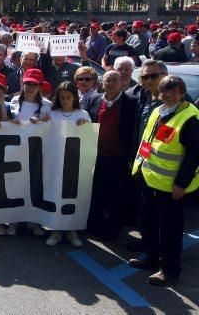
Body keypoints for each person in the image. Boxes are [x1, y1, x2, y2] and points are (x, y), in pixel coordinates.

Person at [129, 76, 199, 286]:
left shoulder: (190, 118)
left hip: (171, 186)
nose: (167, 95)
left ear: (181, 93)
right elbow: (149, 141)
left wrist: (181, 183)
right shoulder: (159, 110)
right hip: (150, 179)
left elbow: (195, 155)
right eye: (163, 91)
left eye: (172, 91)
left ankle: (169, 270)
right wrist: (139, 167)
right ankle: (151, 258)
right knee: (150, 223)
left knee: (170, 231)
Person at [84, 70, 138, 241]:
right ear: (101, 83)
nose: (110, 84)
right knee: (96, 193)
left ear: (122, 82)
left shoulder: (132, 102)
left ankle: (113, 229)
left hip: (119, 157)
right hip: (96, 156)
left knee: (117, 196)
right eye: (107, 80)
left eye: (114, 80)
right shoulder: (93, 99)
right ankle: (95, 225)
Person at [46, 82, 90, 247]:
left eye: (68, 97)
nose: (65, 100)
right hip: (56, 162)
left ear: (74, 97)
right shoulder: (53, 114)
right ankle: (56, 230)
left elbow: (89, 137)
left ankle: (71, 230)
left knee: (72, 196)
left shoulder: (83, 113)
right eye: (62, 97)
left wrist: (84, 126)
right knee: (57, 195)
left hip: (75, 163)